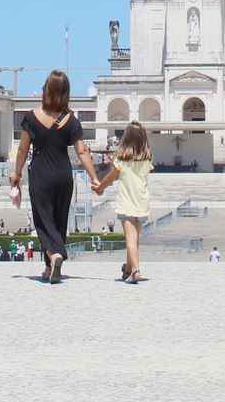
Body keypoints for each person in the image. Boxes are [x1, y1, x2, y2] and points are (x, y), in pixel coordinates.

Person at [9, 69, 101, 284]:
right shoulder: (71, 119)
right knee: (59, 219)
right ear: (66, 92)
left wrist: (17, 173)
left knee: (43, 220)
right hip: (63, 174)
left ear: (46, 90)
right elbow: (82, 151)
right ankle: (49, 266)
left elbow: (23, 149)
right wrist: (94, 177)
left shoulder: (31, 117)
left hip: (40, 173)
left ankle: (54, 254)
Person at [93, 120, 153, 283]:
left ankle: (135, 270)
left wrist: (100, 187)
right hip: (142, 202)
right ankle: (128, 268)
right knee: (135, 239)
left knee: (130, 239)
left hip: (127, 201)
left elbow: (111, 177)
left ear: (126, 138)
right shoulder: (147, 159)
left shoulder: (122, 159)